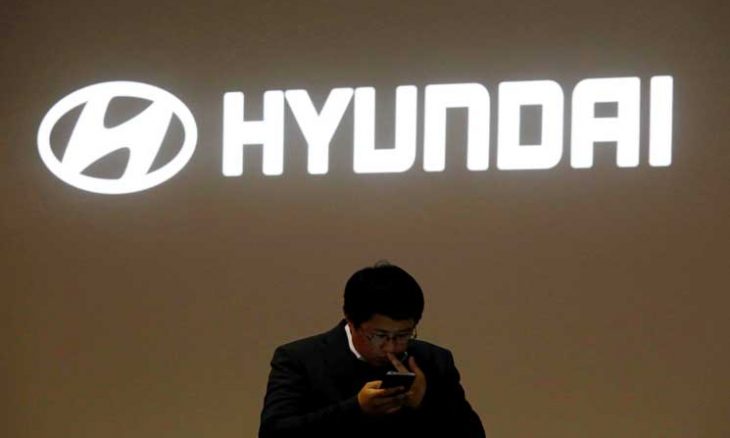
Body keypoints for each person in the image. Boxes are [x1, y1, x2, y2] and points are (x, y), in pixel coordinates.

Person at [258, 262, 486, 438]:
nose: (391, 347)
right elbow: (273, 432)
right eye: (379, 336)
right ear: (351, 321)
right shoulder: (300, 359)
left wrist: (423, 403)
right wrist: (356, 408)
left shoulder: (433, 360)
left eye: (403, 335)